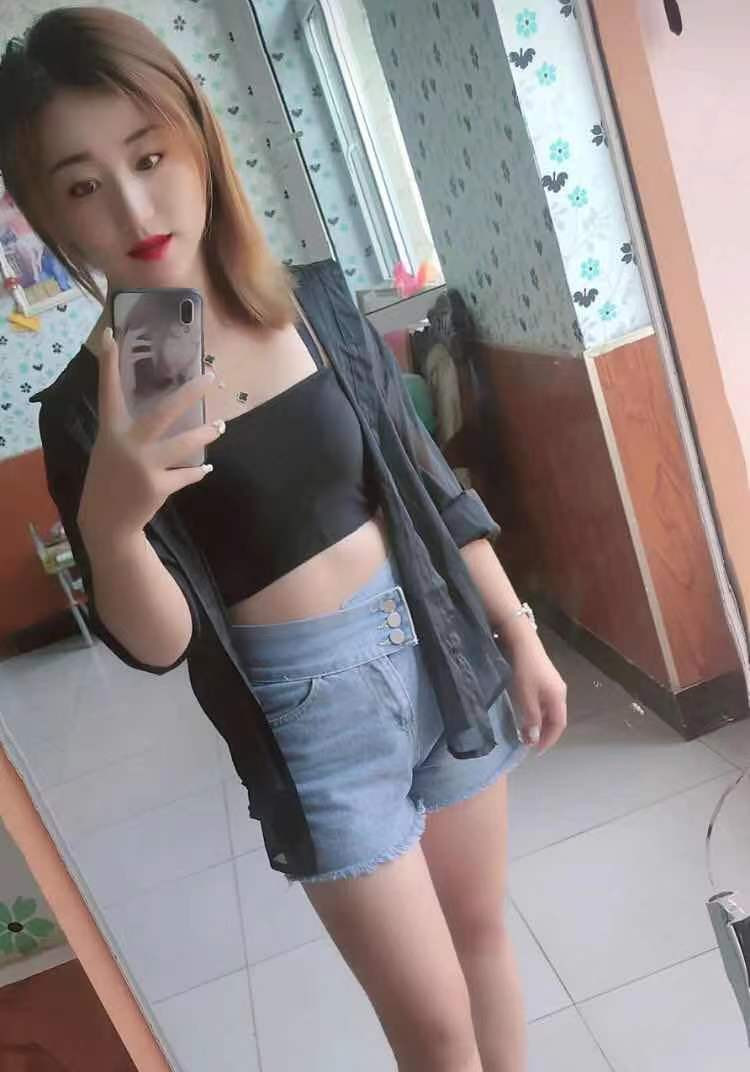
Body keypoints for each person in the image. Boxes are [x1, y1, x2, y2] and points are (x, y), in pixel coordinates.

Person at [0, 10, 567, 1071]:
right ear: (48, 212)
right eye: (82, 186)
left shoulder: (311, 303)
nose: (132, 208)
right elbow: (162, 643)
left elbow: (428, 489)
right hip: (313, 717)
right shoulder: (90, 406)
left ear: (199, 140)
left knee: (484, 939)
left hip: (437, 646)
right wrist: (116, 519)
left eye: (149, 157)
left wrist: (519, 633)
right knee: (433, 1029)